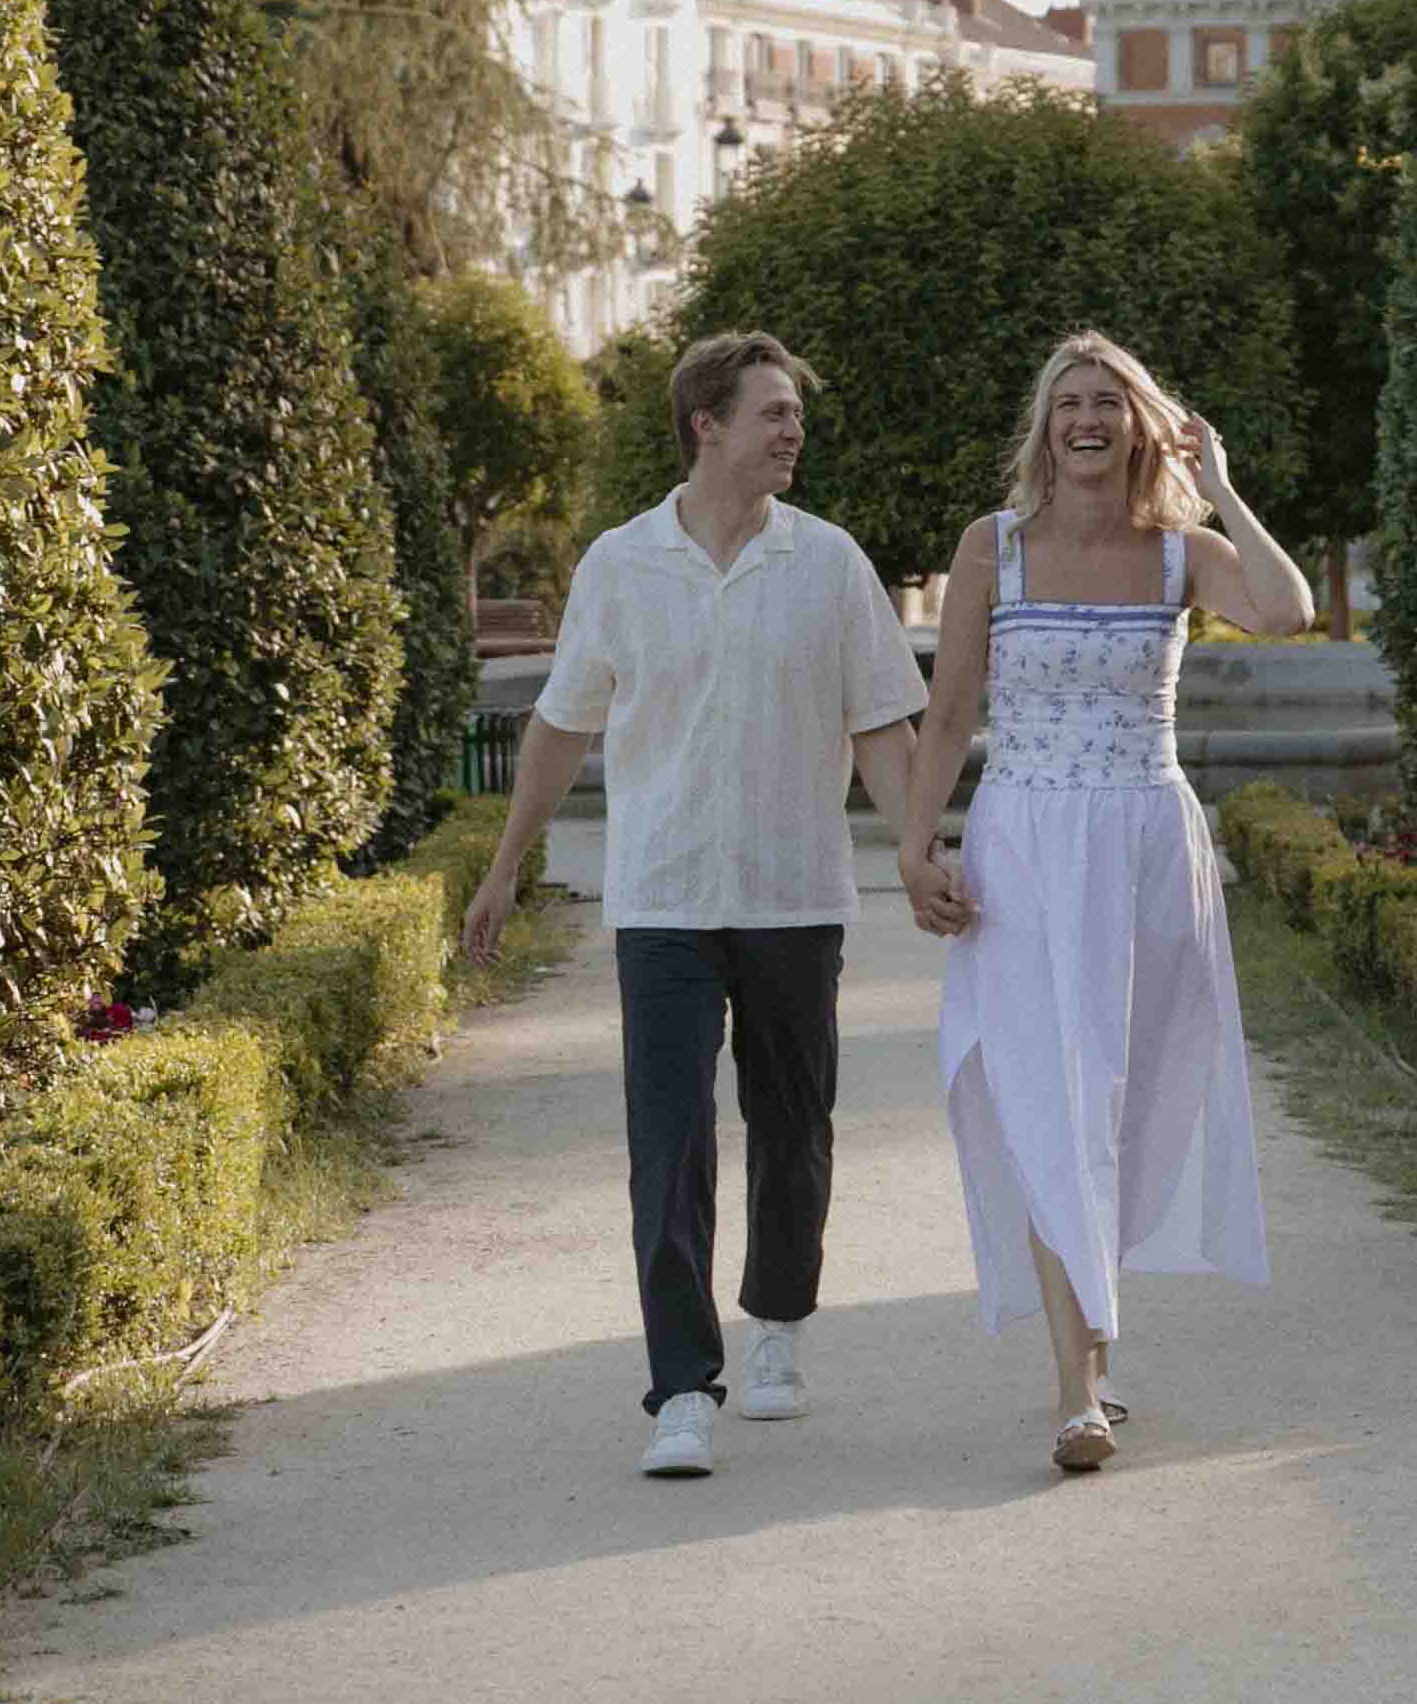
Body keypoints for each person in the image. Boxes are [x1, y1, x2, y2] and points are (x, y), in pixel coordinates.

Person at [460, 332, 950, 1481]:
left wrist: (920, 851)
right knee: (666, 1143)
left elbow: (884, 724)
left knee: (794, 1127)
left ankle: (777, 1321)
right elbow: (560, 727)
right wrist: (502, 864)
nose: (794, 432)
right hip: (664, 895)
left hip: (793, 892)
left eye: (795, 414)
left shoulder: (829, 564)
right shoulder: (619, 565)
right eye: (774, 412)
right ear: (707, 424)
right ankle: (682, 1386)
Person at [897, 331, 1305, 1472]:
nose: (1088, 419)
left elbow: (1285, 610)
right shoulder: (994, 549)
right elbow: (948, 712)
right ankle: (1075, 1391)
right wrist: (916, 847)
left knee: (1127, 1098)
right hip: (1023, 842)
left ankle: (1097, 1340)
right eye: (1069, 402)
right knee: (1045, 1092)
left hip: (1144, 842)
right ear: (1044, 427)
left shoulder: (1184, 549)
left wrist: (1218, 482)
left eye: (1109, 404)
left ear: (1140, 425)